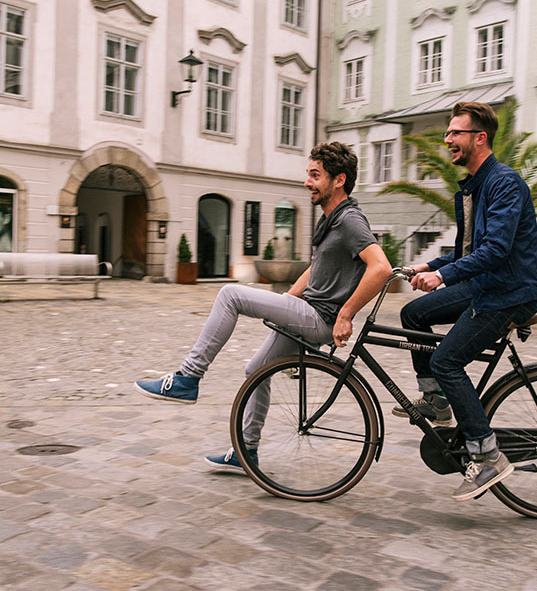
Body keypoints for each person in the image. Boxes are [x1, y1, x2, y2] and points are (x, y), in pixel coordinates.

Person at [134, 142, 392, 472]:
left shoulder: (350, 220)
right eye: (308, 174)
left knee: (230, 294)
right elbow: (316, 270)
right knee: (256, 371)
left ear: (339, 180)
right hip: (309, 311)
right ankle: (246, 452)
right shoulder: (332, 219)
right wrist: (288, 302)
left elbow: (381, 268)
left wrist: (346, 314)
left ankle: (188, 377)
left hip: (320, 318)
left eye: (315, 175)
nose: (307, 182)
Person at [401, 101, 537, 502]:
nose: (447, 139)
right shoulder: (474, 187)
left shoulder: (504, 183)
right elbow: (470, 251)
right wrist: (429, 265)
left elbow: (496, 250)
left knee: (447, 360)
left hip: (509, 293)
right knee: (413, 313)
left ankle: (487, 456)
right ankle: (437, 400)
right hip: (486, 284)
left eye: (455, 133)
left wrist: (442, 276)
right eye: (447, 133)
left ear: (479, 138)